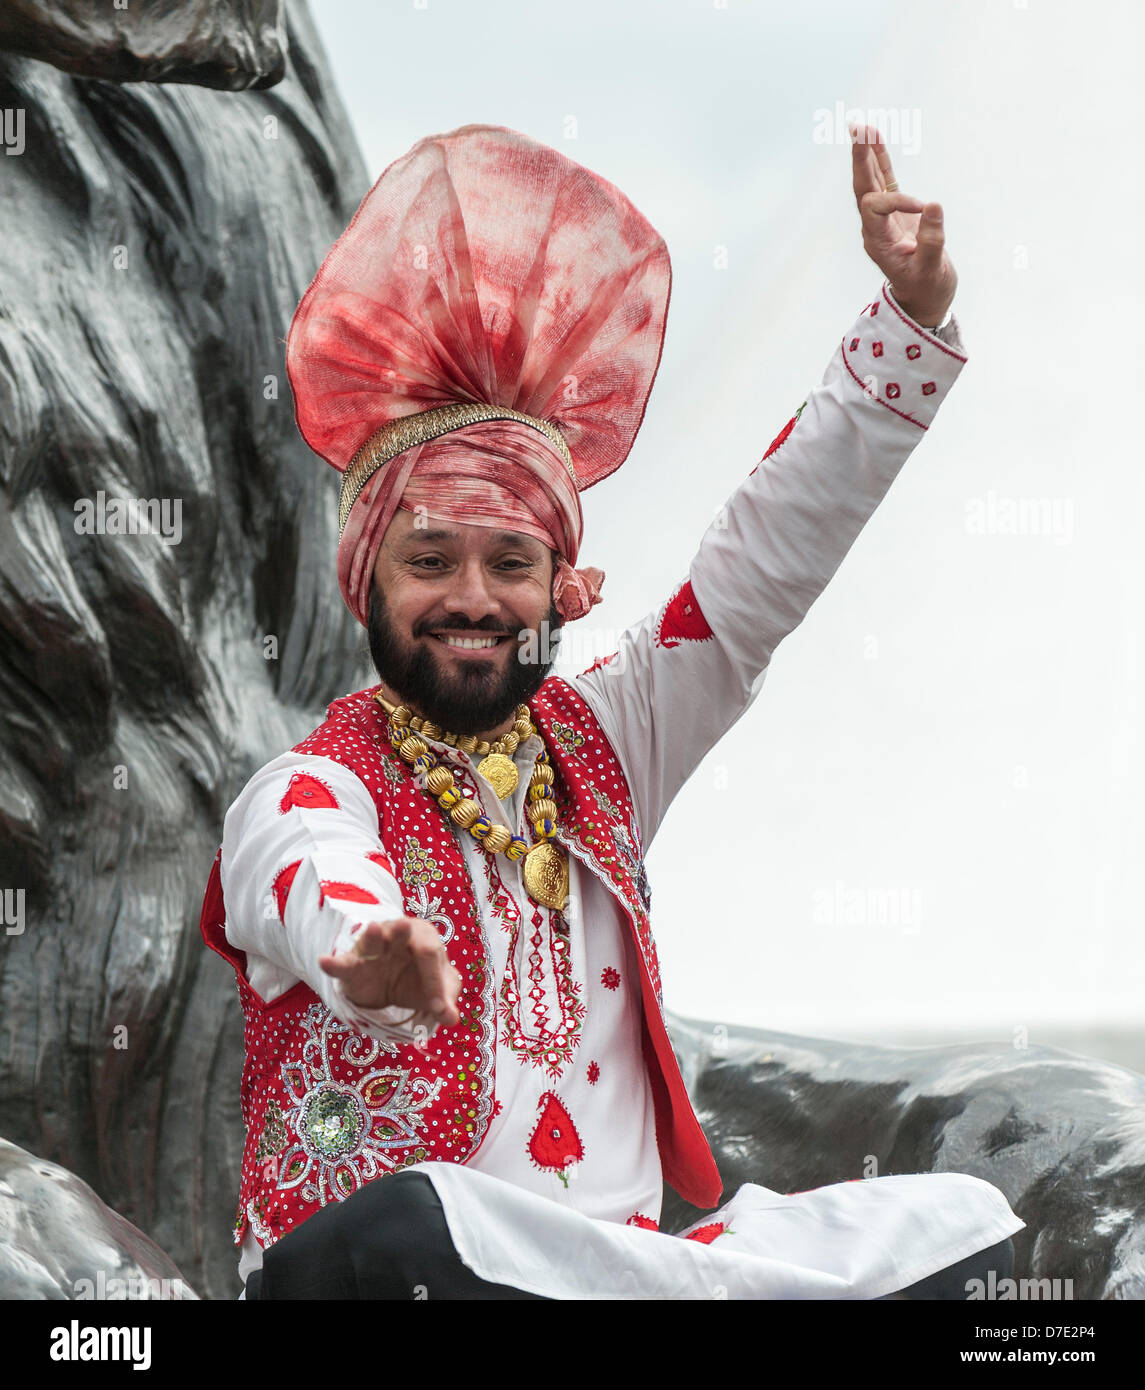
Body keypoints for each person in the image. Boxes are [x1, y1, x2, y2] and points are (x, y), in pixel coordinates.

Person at [199, 122, 1023, 1299]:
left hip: (622, 1266)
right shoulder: (308, 789)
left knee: (962, 1218)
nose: (471, 598)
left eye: (508, 562)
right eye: (430, 561)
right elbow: (310, 874)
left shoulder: (606, 737)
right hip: (407, 1264)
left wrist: (905, 323)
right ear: (367, 581)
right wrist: (364, 952)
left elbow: (755, 573)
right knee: (419, 1225)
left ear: (557, 585)